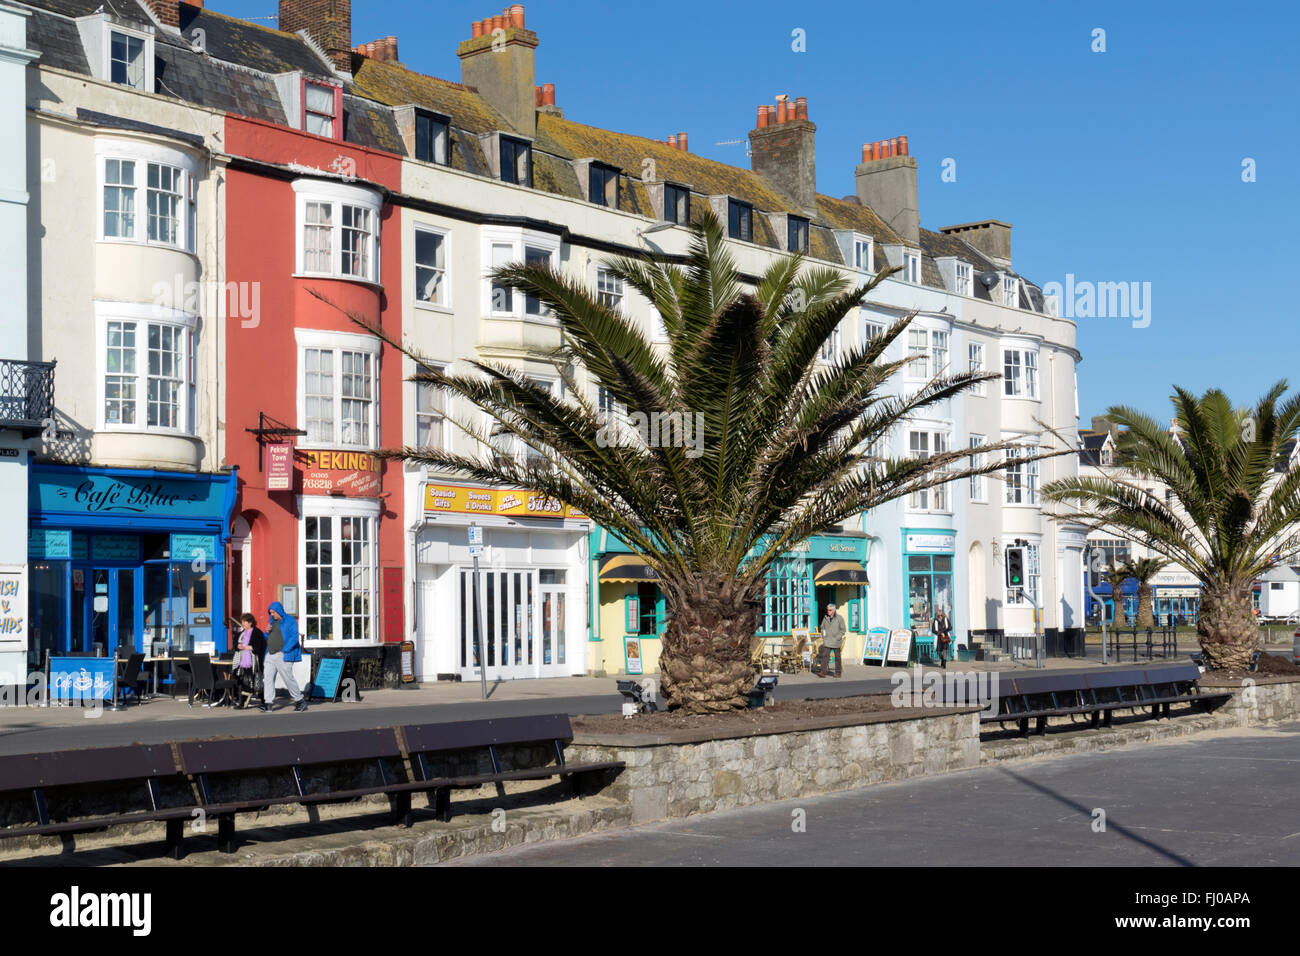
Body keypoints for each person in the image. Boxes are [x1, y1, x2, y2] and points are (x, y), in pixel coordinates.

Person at [263, 601, 307, 713]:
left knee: (288, 679)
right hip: (270, 654)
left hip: (283, 654)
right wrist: (267, 632)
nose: (271, 614)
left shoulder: (290, 620)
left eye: (273, 612)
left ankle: (300, 701)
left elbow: (294, 637)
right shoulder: (272, 622)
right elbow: (268, 637)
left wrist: (284, 650)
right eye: (270, 613)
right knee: (267, 679)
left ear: (279, 611)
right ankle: (268, 703)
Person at [233, 613, 265, 706]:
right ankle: (244, 701)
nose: (243, 624)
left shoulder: (257, 633)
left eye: (245, 622)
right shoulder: (240, 633)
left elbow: (259, 647)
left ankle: (246, 702)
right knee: (245, 681)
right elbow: (235, 644)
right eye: (242, 622)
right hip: (241, 661)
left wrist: (246, 647)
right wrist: (237, 646)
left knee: (253, 681)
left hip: (254, 661)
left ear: (250, 622)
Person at [815, 602, 846, 678]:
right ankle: (823, 672)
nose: (828, 611)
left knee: (837, 657)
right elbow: (822, 627)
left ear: (834, 610)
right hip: (827, 640)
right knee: (825, 656)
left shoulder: (839, 618)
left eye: (830, 610)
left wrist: (837, 637)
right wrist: (824, 636)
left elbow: (843, 630)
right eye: (828, 610)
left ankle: (838, 673)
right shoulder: (825, 618)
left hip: (836, 641)